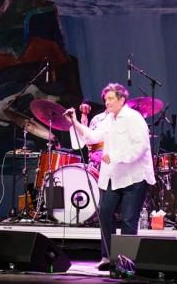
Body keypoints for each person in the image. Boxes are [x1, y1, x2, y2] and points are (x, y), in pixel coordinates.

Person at [65, 83, 155, 270]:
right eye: (105, 99)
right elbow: (91, 137)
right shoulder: (108, 120)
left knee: (129, 219)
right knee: (105, 213)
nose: (106, 102)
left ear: (122, 99)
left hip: (134, 177)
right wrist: (74, 122)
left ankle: (127, 262)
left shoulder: (133, 118)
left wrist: (115, 157)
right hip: (113, 177)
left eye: (110, 99)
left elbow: (140, 148)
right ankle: (108, 258)